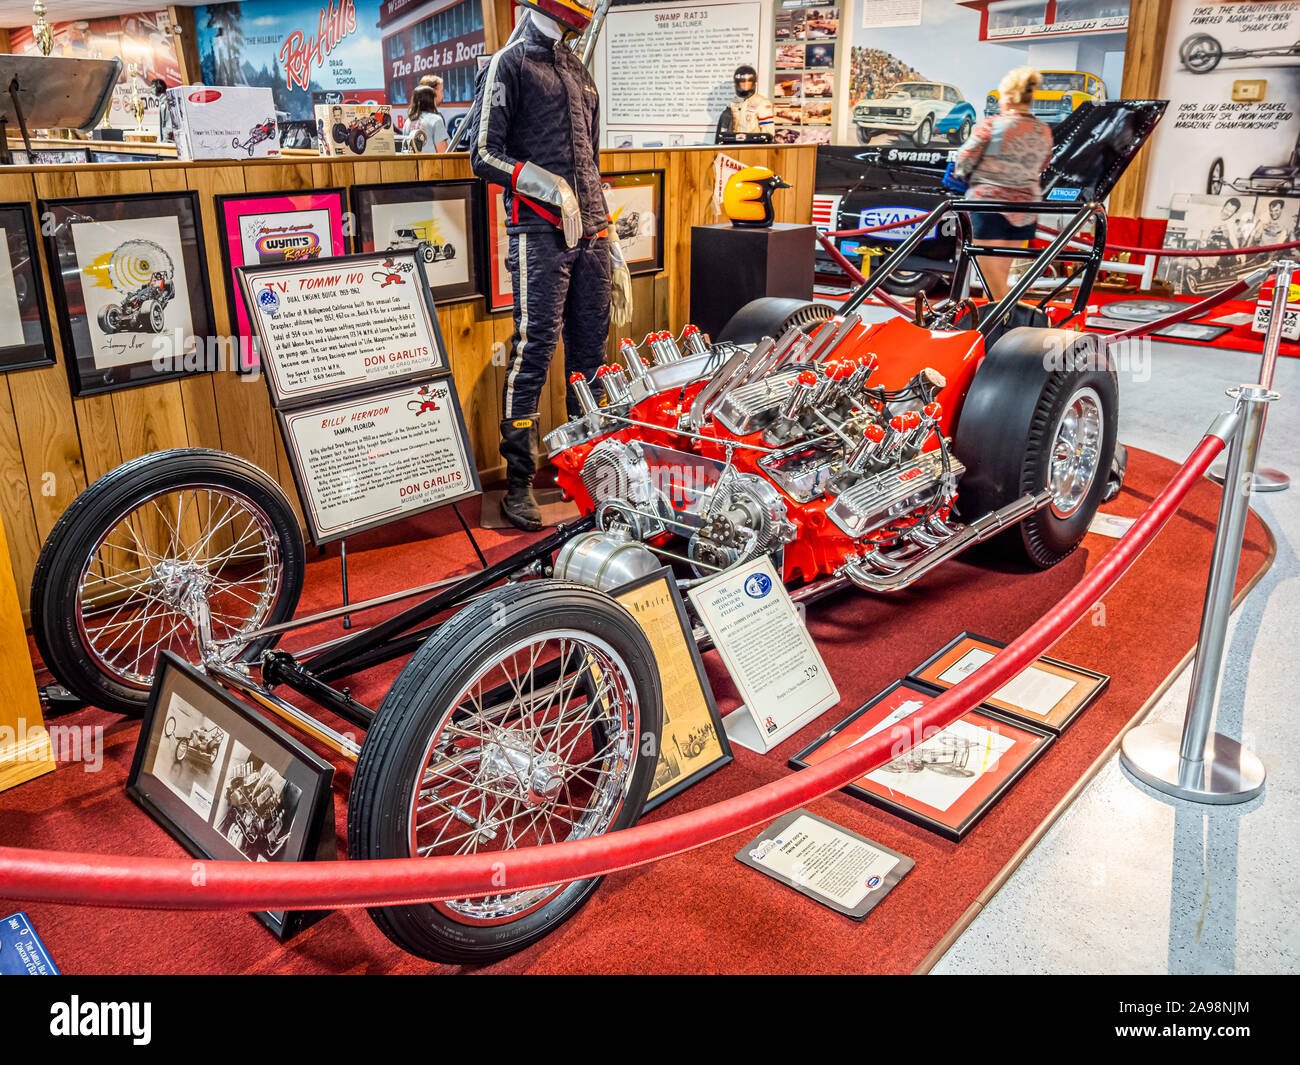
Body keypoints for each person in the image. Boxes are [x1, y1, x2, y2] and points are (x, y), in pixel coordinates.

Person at [468, 0, 633, 531]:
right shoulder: (509, 62)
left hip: (592, 230)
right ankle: (519, 481)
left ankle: (594, 476)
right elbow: (482, 154)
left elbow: (593, 160)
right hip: (538, 232)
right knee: (535, 347)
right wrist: (550, 187)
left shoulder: (576, 67)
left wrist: (607, 234)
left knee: (592, 351)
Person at [952, 67, 1054, 301]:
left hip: (990, 205)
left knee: (990, 274)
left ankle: (1008, 318)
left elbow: (964, 160)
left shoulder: (993, 125)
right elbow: (1043, 164)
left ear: (1007, 96)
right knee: (1001, 271)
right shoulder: (1043, 130)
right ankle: (1004, 320)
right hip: (1026, 209)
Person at [716, 64, 774, 142]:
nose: (745, 86)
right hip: (734, 145)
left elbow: (768, 132)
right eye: (742, 83)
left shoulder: (762, 103)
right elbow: (724, 127)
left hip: (754, 146)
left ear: (753, 83)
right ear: (737, 83)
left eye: (748, 83)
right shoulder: (733, 103)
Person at [406, 80, 448, 152]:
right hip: (432, 163)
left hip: (413, 162)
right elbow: (444, 152)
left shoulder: (408, 122)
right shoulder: (436, 120)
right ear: (431, 100)